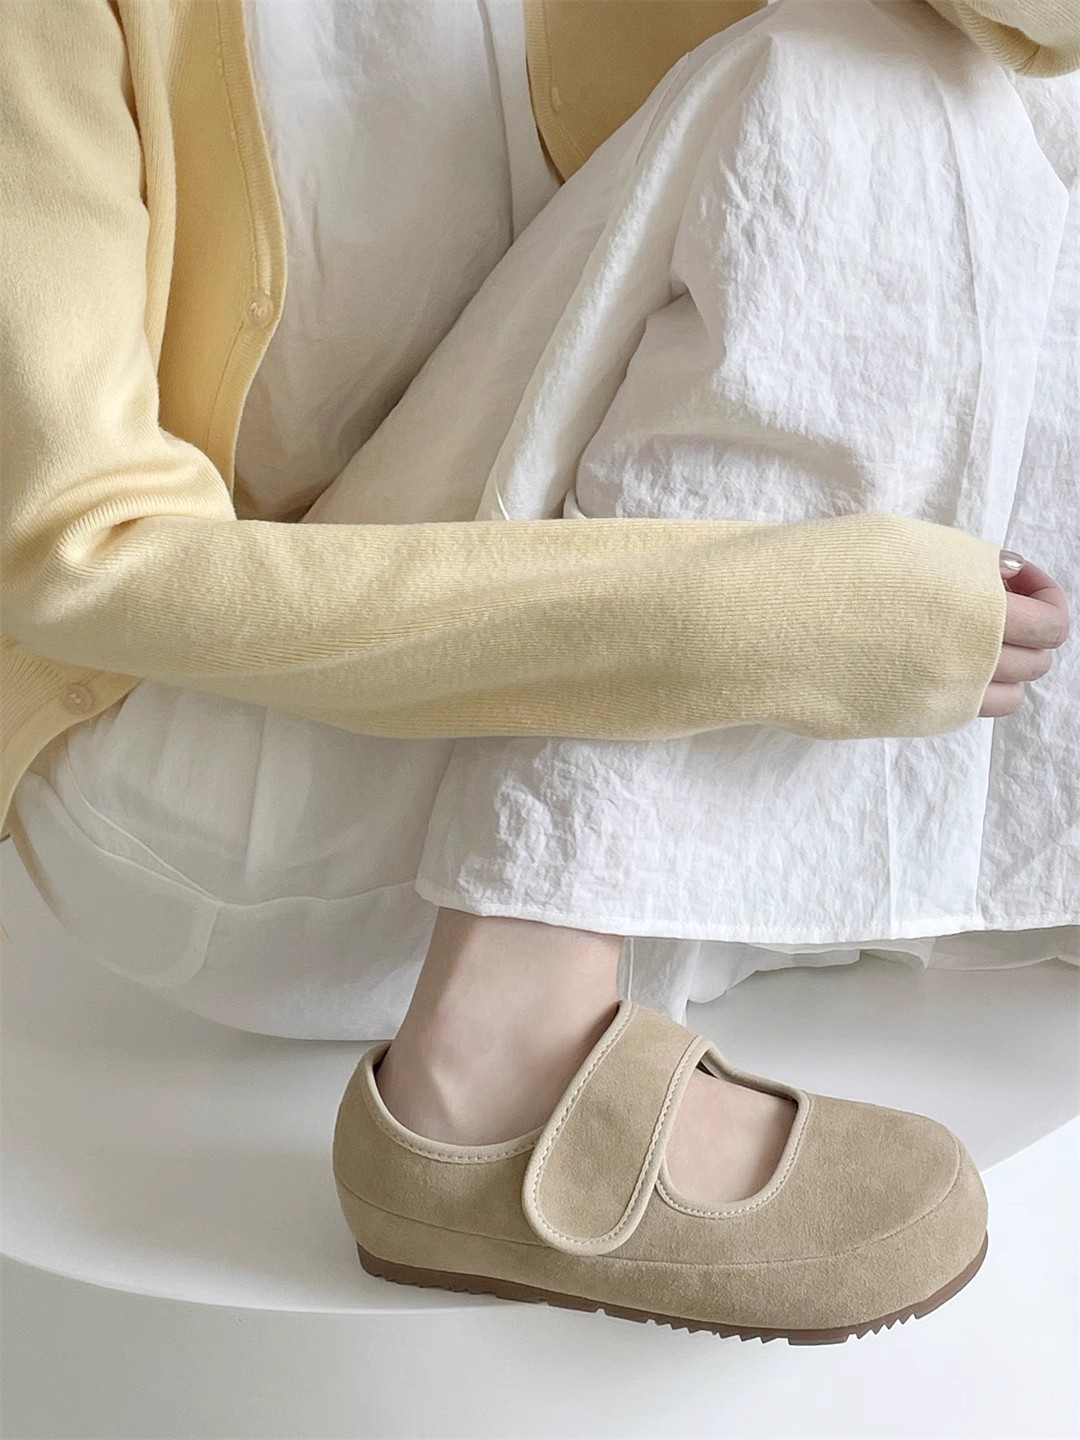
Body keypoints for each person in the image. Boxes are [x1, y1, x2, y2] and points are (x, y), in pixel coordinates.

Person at [1, 0, 1074, 1342]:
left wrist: (785, 619)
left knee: (899, 69)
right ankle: (497, 1060)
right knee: (837, 84)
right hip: (220, 775)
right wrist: (754, 622)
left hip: (568, 723)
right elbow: (84, 560)